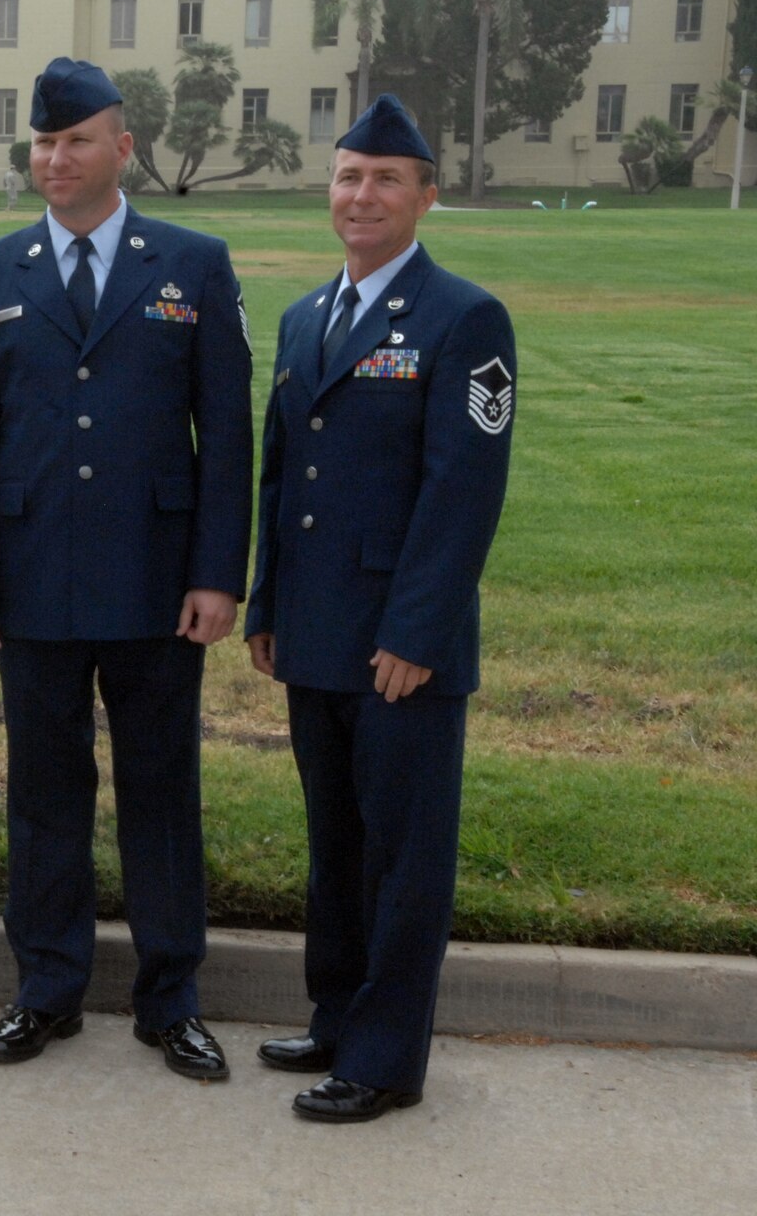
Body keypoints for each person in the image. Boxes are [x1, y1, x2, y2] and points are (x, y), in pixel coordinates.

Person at [0, 57, 252, 1077]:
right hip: (29, 578)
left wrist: (217, 572)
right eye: (43, 142)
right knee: (43, 793)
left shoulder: (193, 264)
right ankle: (46, 988)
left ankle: (171, 997)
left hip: (158, 580)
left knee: (161, 787)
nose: (55, 158)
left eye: (76, 140)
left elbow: (226, 431)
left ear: (122, 147)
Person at [244, 94, 516, 1123]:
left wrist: (417, 632)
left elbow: (462, 493)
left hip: (401, 646)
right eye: (349, 176)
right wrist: (267, 601)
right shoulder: (304, 316)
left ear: (425, 196)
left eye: (386, 180)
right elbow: (282, 476)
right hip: (313, 632)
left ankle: (386, 1058)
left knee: (403, 858)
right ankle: (335, 1018)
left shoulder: (464, 319)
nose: (362, 195)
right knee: (335, 842)